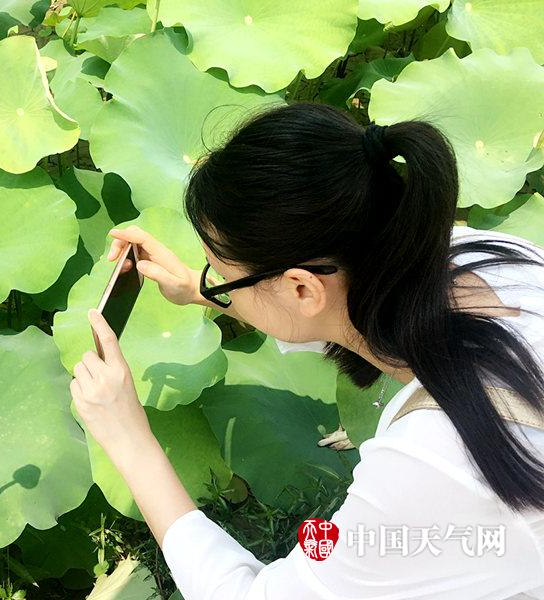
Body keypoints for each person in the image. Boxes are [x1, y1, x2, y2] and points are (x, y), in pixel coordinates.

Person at [70, 102, 544, 599]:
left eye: (222, 274)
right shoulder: (488, 257)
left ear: (300, 288)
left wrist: (128, 438)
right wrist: (202, 288)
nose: (215, 281)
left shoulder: (433, 462)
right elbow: (335, 305)